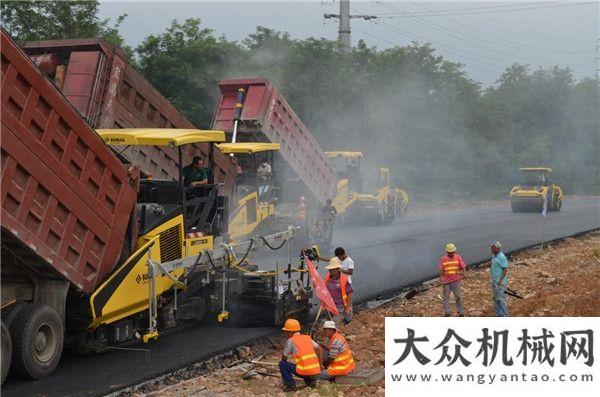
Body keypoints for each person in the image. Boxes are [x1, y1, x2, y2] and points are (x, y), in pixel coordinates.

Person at [278, 318, 321, 391]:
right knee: (302, 366)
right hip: (315, 370)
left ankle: (291, 385)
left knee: (282, 364)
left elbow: (284, 357)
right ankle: (310, 380)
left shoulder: (291, 340)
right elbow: (320, 349)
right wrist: (320, 364)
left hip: (304, 371)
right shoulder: (307, 338)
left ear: (291, 332)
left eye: (286, 332)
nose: (286, 334)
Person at [439, 243, 466, 317]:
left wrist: (464, 274)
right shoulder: (443, 259)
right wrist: (440, 279)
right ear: (447, 252)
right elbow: (441, 270)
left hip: (456, 281)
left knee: (458, 296)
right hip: (446, 281)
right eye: (450, 252)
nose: (452, 253)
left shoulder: (458, 257)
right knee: (446, 297)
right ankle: (447, 312)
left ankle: (460, 312)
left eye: (453, 252)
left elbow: (463, 266)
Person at [324, 258, 353, 326]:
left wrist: (347, 308)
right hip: (329, 305)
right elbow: (323, 289)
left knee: (334, 325)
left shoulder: (343, 279)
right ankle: (331, 335)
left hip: (339, 307)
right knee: (328, 323)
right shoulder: (327, 277)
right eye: (330, 269)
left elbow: (350, 293)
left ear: (338, 269)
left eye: (333, 269)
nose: (330, 271)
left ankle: (335, 335)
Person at [490, 242, 510, 317]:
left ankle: (504, 315)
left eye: (493, 248)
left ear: (498, 249)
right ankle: (498, 314)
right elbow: (492, 263)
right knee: (496, 298)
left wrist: (500, 280)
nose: (491, 249)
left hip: (499, 282)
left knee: (500, 299)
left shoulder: (501, 257)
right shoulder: (494, 256)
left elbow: (505, 269)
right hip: (494, 280)